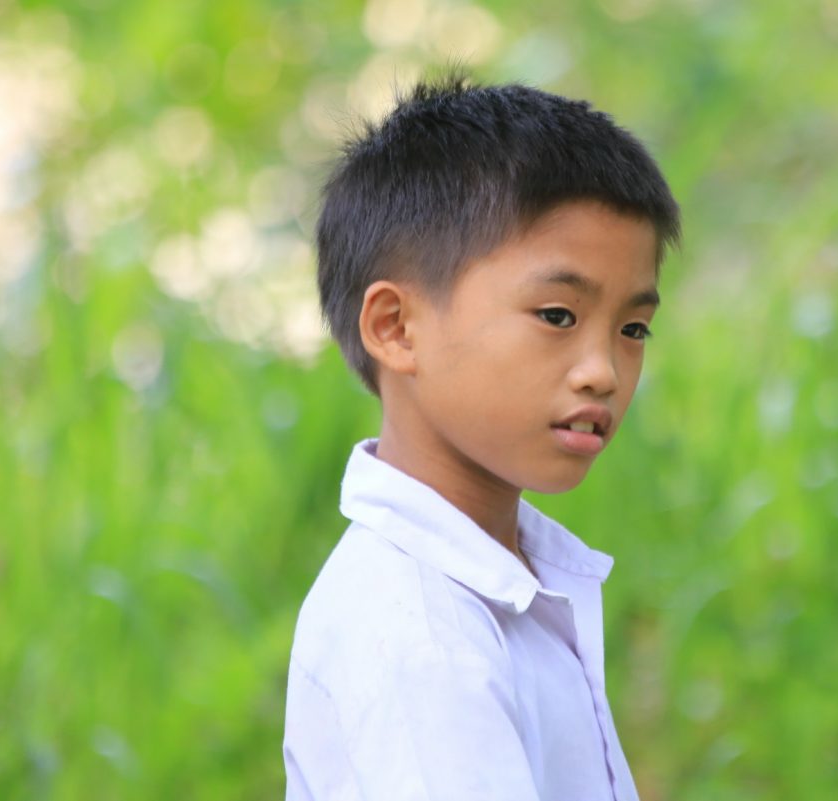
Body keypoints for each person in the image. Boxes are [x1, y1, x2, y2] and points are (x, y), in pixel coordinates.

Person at [283, 75, 679, 801]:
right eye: (558, 315)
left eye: (632, 328)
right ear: (397, 328)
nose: (603, 371)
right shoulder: (419, 637)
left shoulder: (501, 582)